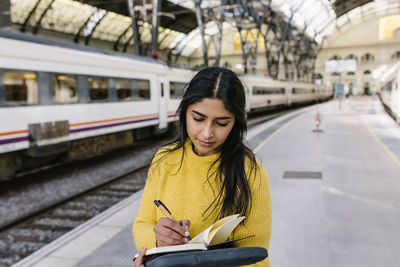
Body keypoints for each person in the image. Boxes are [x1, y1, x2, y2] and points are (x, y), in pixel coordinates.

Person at [132, 67, 272, 267]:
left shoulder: (251, 172)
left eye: (221, 123)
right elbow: (142, 224)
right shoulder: (165, 159)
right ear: (185, 112)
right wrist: (157, 240)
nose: (207, 133)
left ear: (236, 123)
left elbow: (255, 258)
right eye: (198, 119)